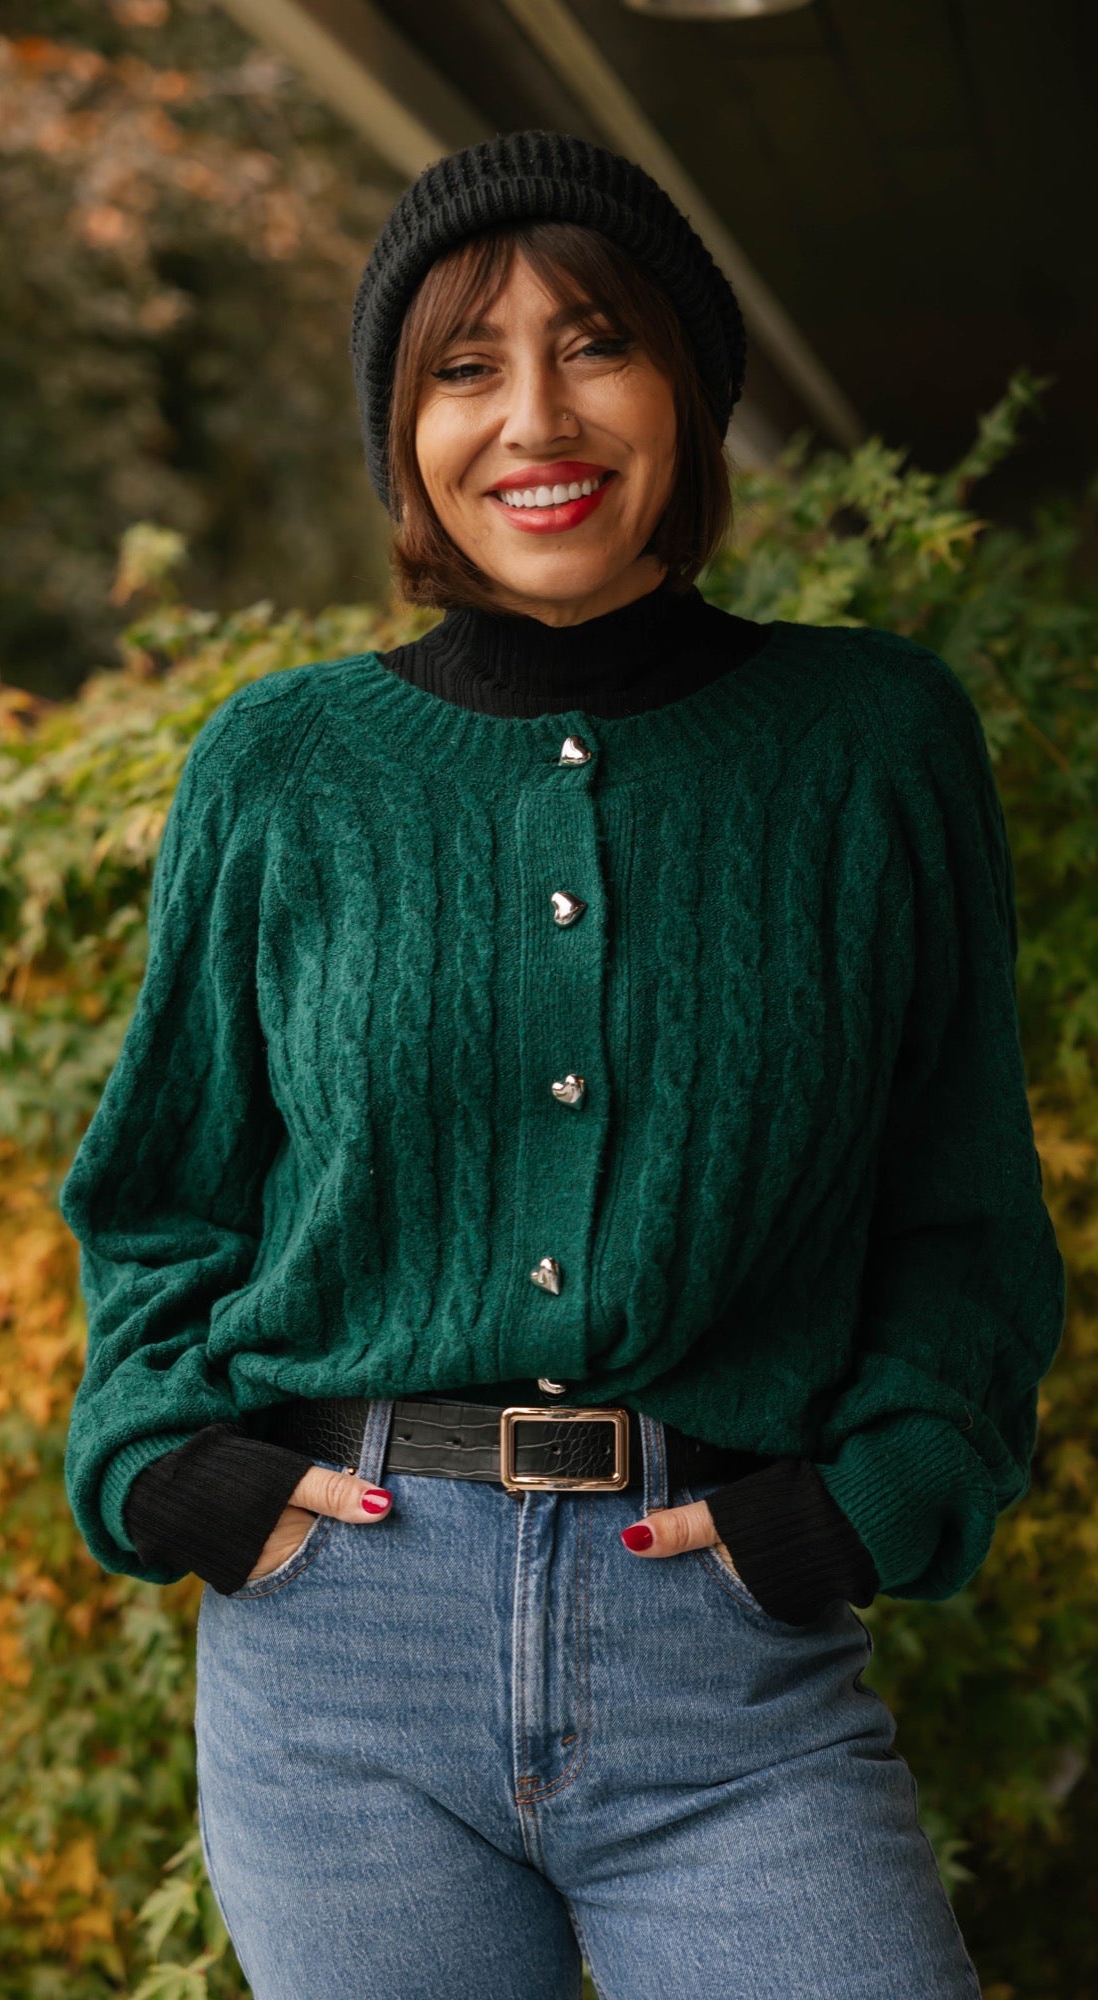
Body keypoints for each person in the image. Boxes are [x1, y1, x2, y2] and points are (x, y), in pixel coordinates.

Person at [58, 130, 1066, 2000]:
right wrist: (162, 1456)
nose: (535, 415)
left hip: (729, 1658)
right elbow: (161, 1193)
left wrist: (875, 1497)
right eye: (462, 364)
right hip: (338, 1659)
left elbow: (958, 1220)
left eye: (592, 343)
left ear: (684, 387)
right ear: (404, 432)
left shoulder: (870, 745)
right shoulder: (279, 768)